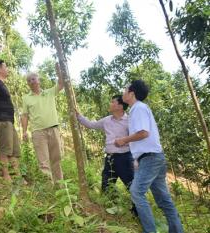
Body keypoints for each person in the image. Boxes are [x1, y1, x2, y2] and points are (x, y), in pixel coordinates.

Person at [115, 80, 184, 233]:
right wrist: (137, 159)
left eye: (125, 89)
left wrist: (123, 140)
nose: (123, 92)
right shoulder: (139, 108)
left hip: (151, 158)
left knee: (136, 192)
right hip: (153, 157)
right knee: (163, 200)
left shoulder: (138, 108)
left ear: (132, 93)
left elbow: (143, 133)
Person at [76, 95, 137, 216]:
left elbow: (136, 139)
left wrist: (135, 159)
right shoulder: (107, 120)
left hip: (125, 158)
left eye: (112, 102)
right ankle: (109, 210)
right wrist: (78, 115)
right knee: (106, 184)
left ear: (120, 106)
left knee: (132, 186)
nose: (110, 104)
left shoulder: (129, 121)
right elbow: (91, 125)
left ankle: (137, 212)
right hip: (110, 158)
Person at [21, 72, 64, 183]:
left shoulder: (49, 92)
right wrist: (24, 131)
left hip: (54, 129)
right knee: (43, 162)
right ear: (27, 84)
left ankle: (60, 186)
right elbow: (25, 115)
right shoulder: (26, 98)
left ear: (38, 80)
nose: (31, 81)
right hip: (38, 133)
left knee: (57, 159)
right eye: (29, 80)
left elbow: (61, 85)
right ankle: (49, 188)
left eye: (33, 79)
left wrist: (59, 72)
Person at [0, 60, 24, 182]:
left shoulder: (2, 84)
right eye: (5, 67)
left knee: (14, 151)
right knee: (5, 150)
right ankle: (6, 176)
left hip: (9, 121)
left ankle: (17, 176)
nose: (7, 69)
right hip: (1, 120)